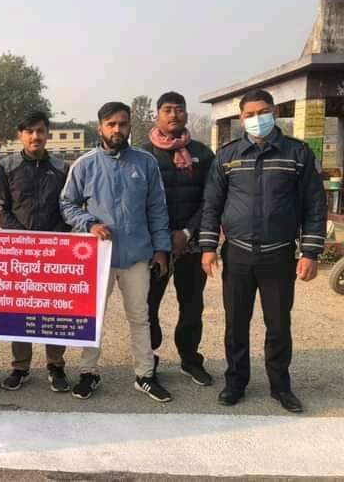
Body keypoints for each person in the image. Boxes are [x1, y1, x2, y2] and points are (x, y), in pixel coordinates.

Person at [199, 89, 327, 413]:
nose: (257, 119)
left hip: (279, 254)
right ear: (241, 119)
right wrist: (208, 247)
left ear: (275, 112)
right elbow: (212, 204)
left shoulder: (297, 153)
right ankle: (235, 382)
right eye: (250, 114)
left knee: (279, 324)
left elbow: (314, 205)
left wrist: (310, 253)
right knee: (236, 323)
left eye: (263, 112)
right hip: (238, 254)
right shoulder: (227, 156)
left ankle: (280, 386)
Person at [60, 101, 172, 402]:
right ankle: (88, 372)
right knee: (93, 315)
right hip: (98, 256)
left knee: (139, 316)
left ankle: (145, 374)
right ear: (100, 128)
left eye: (122, 123)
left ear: (130, 126)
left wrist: (161, 249)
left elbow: (157, 209)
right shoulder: (84, 164)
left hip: (137, 254)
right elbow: (67, 204)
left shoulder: (146, 163)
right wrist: (89, 223)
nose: (117, 129)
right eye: (111, 124)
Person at [0, 110, 71, 392]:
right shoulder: (5, 167)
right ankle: (20, 367)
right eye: (29, 131)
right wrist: (22, 238)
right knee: (20, 309)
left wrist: (55, 238)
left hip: (54, 252)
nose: (35, 136)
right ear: (20, 135)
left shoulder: (62, 168)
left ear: (48, 134)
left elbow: (69, 207)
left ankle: (56, 365)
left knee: (54, 309)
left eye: (40, 131)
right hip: (18, 252)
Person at [141, 92, 215, 386]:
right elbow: (137, 201)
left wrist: (187, 232)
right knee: (147, 305)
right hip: (153, 247)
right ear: (157, 115)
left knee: (192, 305)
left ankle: (190, 359)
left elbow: (211, 199)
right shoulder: (143, 154)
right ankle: (148, 359)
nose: (174, 115)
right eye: (167, 110)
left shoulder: (203, 154)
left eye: (179, 109)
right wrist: (161, 239)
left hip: (191, 244)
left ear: (186, 114)